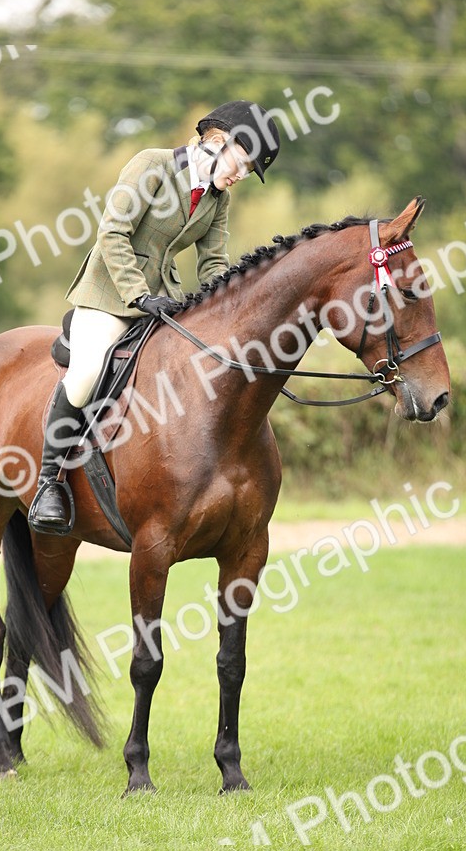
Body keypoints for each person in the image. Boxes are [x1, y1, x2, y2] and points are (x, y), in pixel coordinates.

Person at [28, 99, 281, 533]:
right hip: (110, 294)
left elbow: (213, 263)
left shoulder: (218, 199)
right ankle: (49, 483)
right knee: (86, 374)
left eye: (249, 170)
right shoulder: (153, 165)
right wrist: (139, 295)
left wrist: (227, 312)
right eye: (242, 162)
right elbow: (113, 233)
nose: (241, 175)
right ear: (217, 141)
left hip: (165, 299)